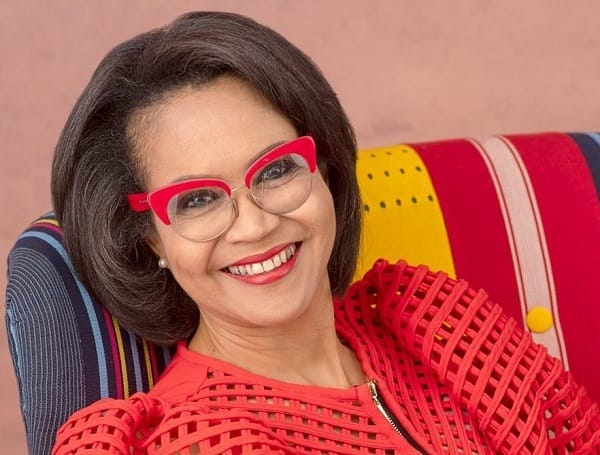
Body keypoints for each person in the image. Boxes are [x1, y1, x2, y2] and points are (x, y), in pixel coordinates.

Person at [50, 11, 599, 455]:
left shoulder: (435, 324)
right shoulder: (195, 439)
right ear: (150, 237)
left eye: (276, 169)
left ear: (325, 173)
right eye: (196, 200)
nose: (257, 224)